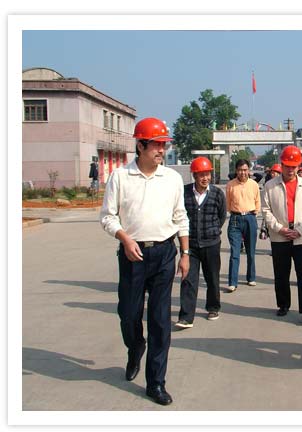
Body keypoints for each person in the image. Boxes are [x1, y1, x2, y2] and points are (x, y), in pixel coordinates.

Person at [100, 117, 189, 406]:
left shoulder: (172, 179)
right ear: (140, 145)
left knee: (160, 321)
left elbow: (180, 217)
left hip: (164, 254)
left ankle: (156, 382)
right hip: (132, 255)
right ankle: (135, 346)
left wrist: (185, 253)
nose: (162, 150)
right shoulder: (120, 177)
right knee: (128, 313)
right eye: (156, 145)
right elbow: (108, 216)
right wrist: (125, 239)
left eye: (164, 145)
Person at [262, 145, 302, 322]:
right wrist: (279, 228)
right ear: (282, 165)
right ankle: (283, 304)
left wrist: (300, 230)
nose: (290, 170)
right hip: (280, 236)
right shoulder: (270, 186)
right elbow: (266, 210)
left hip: (301, 237)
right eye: (287, 166)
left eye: (294, 166)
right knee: (281, 273)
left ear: (299, 166)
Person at [175, 157, 226, 328]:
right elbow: (178, 215)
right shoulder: (184, 193)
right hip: (190, 245)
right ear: (194, 176)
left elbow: (221, 216)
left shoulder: (217, 194)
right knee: (188, 279)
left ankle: (213, 307)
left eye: (208, 174)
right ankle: (186, 316)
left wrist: (212, 231)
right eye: (201, 175)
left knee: (212, 278)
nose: (205, 178)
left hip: (211, 244)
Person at [225, 159, 261, 292]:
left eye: (245, 170)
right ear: (236, 171)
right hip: (235, 219)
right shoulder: (230, 185)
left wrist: (254, 213)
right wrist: (235, 212)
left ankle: (251, 277)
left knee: (251, 251)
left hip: (250, 218)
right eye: (240, 170)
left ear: (249, 171)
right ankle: (232, 282)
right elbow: (228, 203)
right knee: (235, 252)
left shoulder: (254, 184)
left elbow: (257, 201)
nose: (243, 172)